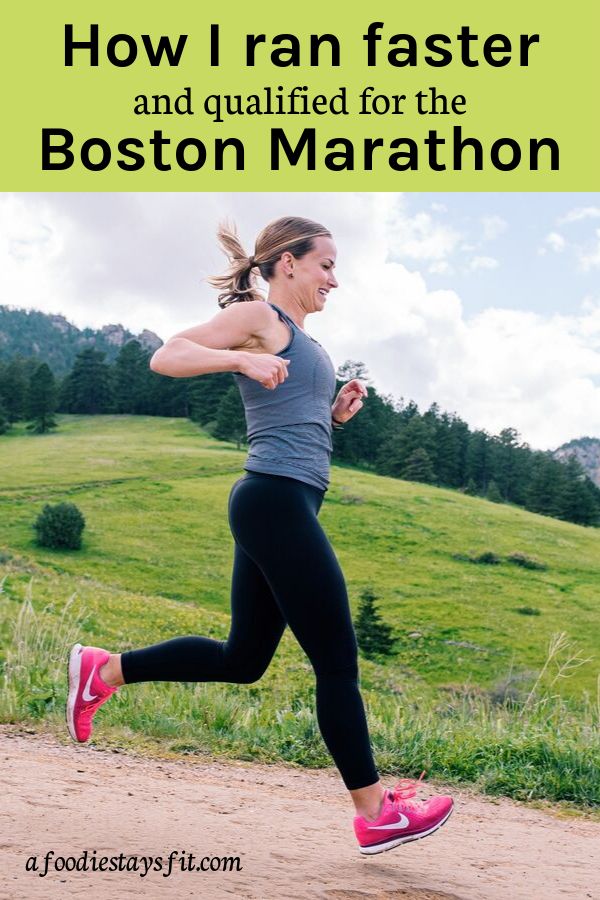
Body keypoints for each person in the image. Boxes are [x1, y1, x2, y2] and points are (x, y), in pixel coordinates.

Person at [66, 216, 453, 855]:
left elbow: (289, 415)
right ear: (288, 263)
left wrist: (332, 413)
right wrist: (240, 355)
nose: (335, 277)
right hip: (273, 500)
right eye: (326, 264)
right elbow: (167, 354)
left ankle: (103, 671)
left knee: (243, 660)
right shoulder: (260, 316)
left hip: (282, 500)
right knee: (336, 660)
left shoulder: (298, 336)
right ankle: (376, 812)